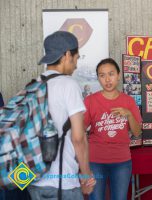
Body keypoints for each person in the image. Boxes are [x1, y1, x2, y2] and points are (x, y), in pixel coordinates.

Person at [27, 31, 96, 200]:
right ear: (66, 55)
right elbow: (78, 138)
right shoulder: (69, 85)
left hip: (33, 180)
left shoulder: (33, 85)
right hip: (62, 182)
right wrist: (86, 177)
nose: (76, 65)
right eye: (76, 58)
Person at [84, 58, 142, 200]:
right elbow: (80, 130)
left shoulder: (128, 101)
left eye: (111, 74)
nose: (107, 79)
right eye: (102, 75)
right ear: (98, 78)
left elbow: (137, 132)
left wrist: (128, 114)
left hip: (121, 161)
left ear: (118, 75)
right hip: (95, 161)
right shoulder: (90, 101)